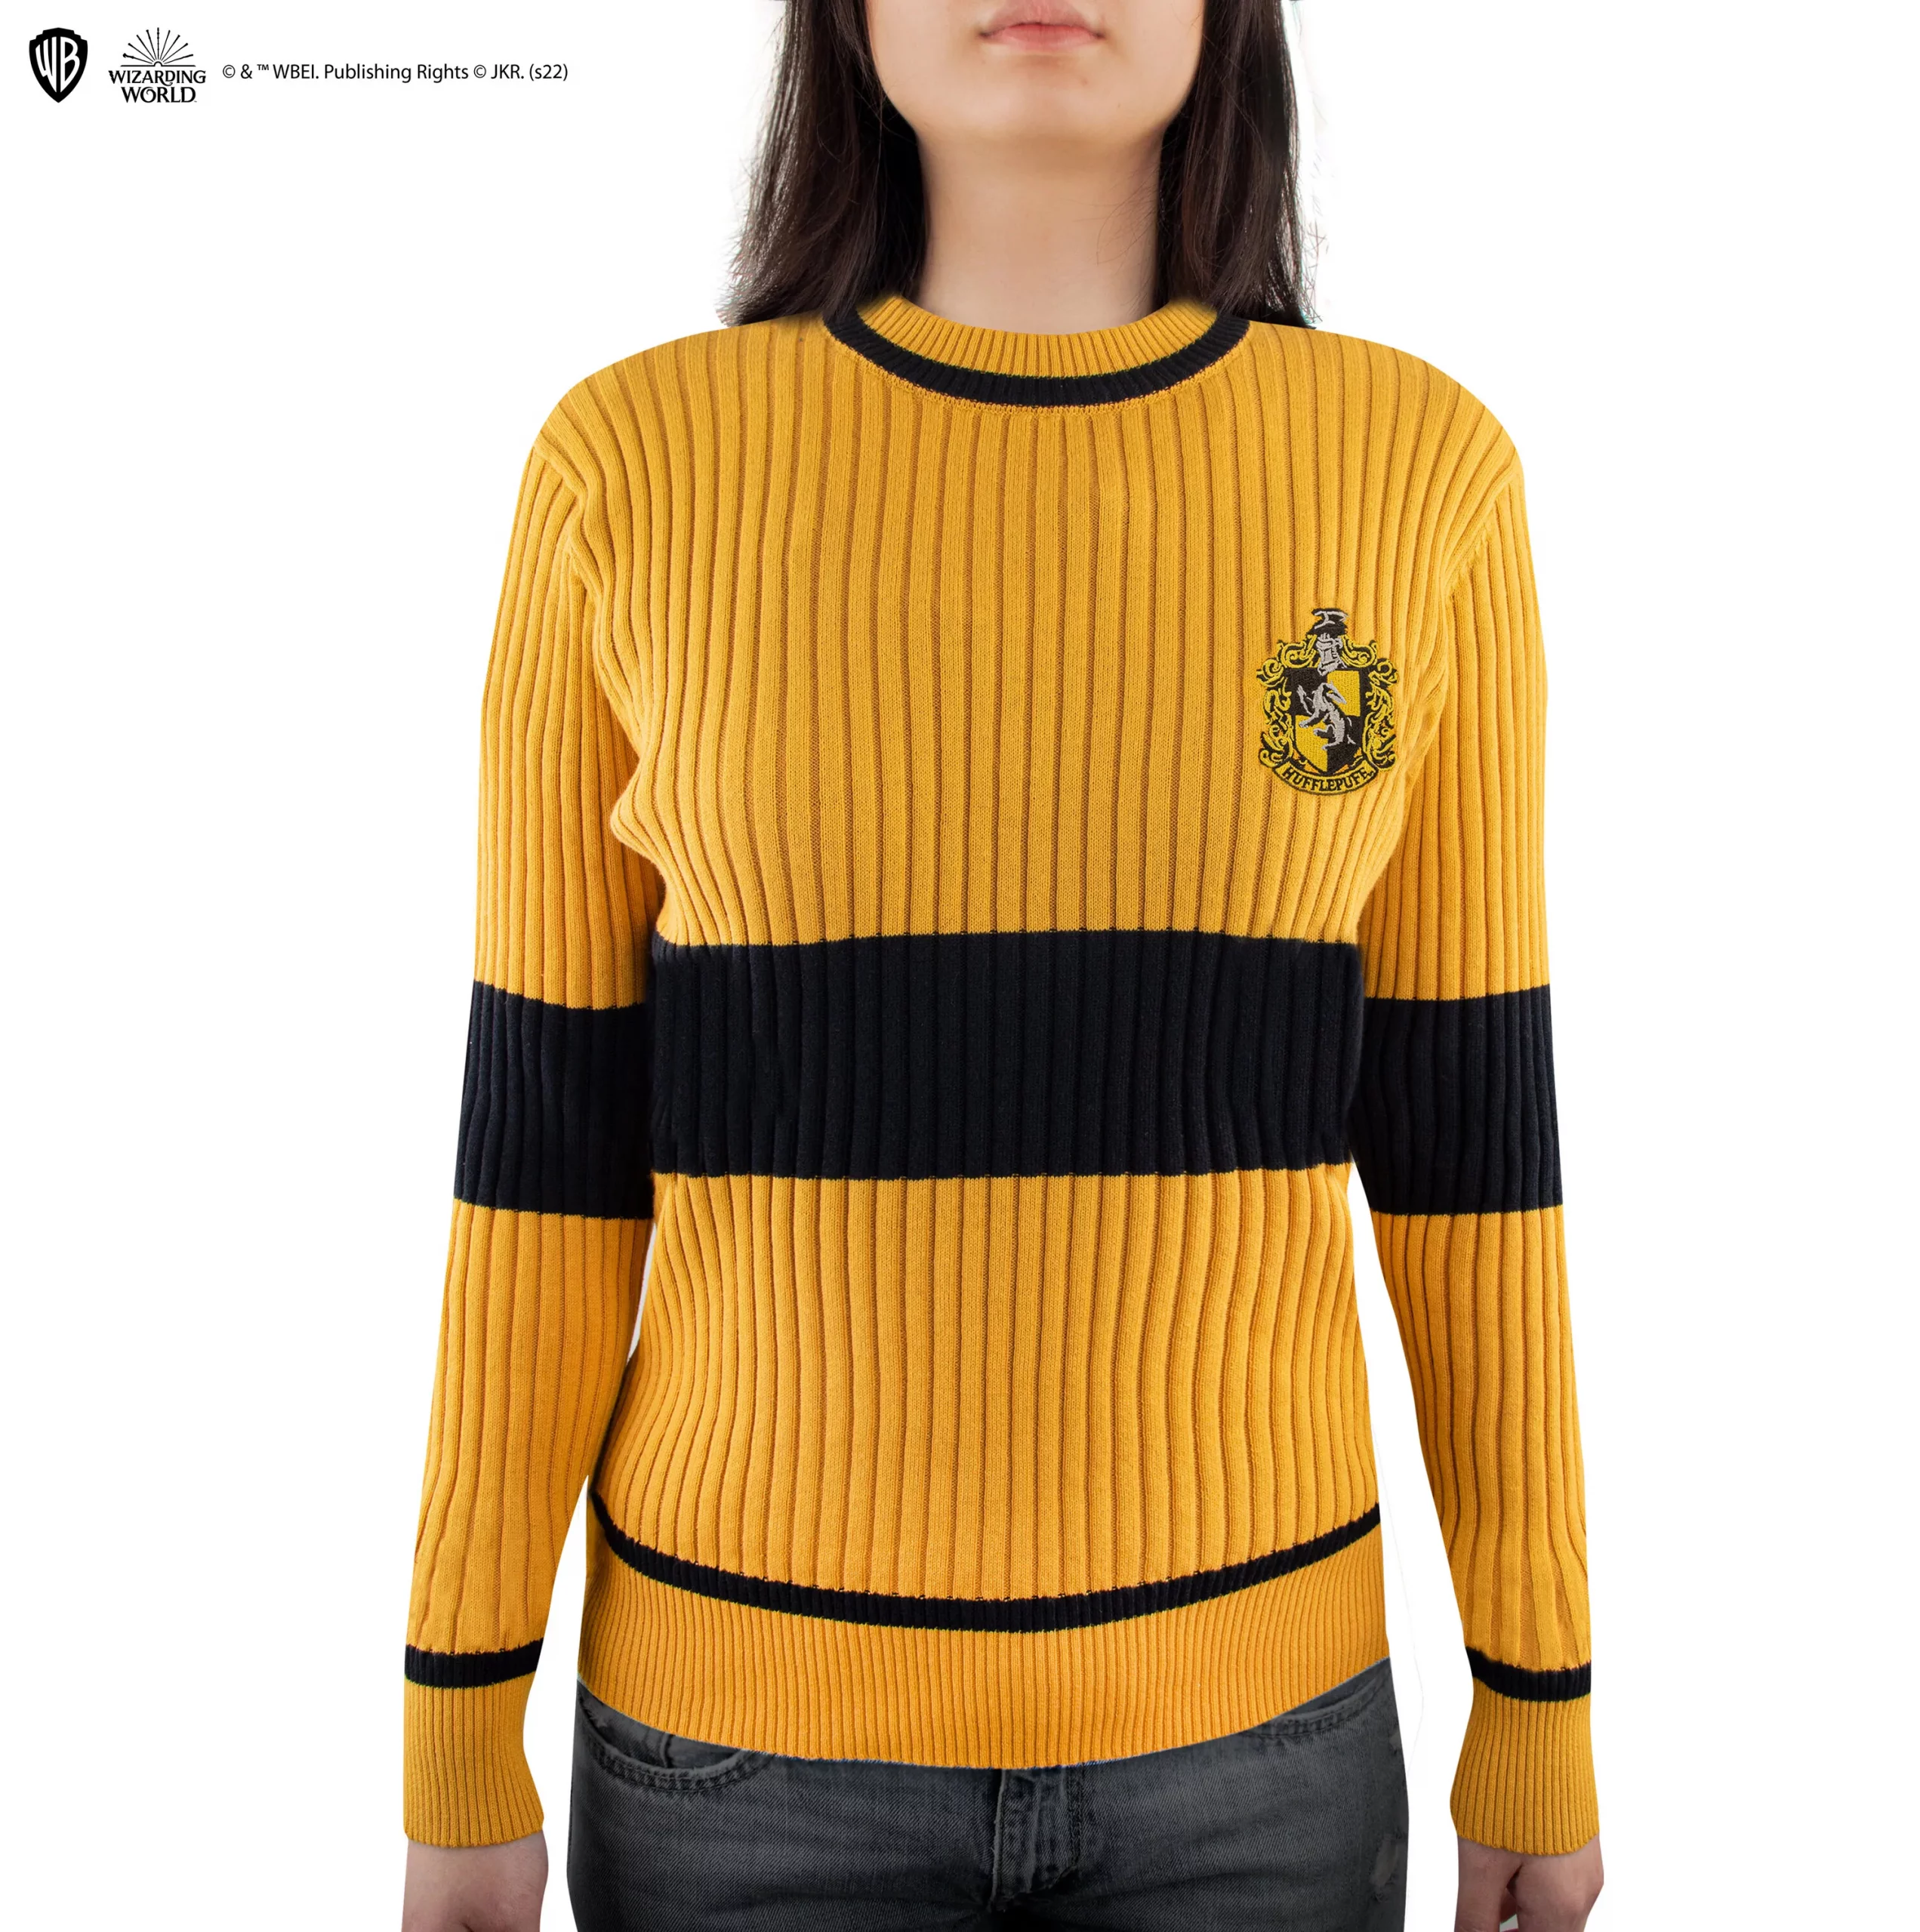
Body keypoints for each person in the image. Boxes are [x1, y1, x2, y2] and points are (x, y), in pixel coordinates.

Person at [399, 3, 1604, 1927]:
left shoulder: (1414, 472)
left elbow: (1473, 1166)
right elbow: (541, 1167)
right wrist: (458, 1727)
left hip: (1259, 1756)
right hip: (738, 1768)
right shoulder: (629, 469)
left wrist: (1536, 1696)